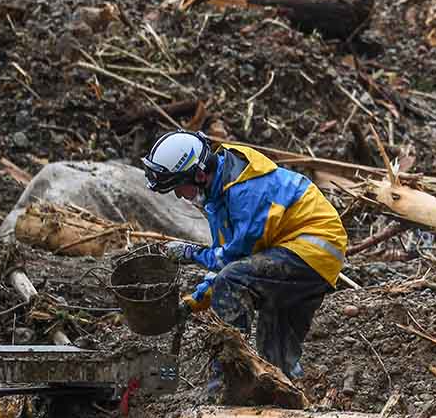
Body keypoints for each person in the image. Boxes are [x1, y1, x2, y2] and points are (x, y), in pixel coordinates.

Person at [141, 130, 348, 392]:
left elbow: (234, 260)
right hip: (300, 257)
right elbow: (226, 264)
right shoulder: (221, 196)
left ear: (199, 175)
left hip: (309, 250)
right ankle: (285, 404)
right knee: (275, 357)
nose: (180, 196)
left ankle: (229, 379)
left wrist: (190, 253)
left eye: (178, 187)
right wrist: (191, 303)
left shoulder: (245, 190)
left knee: (233, 281)